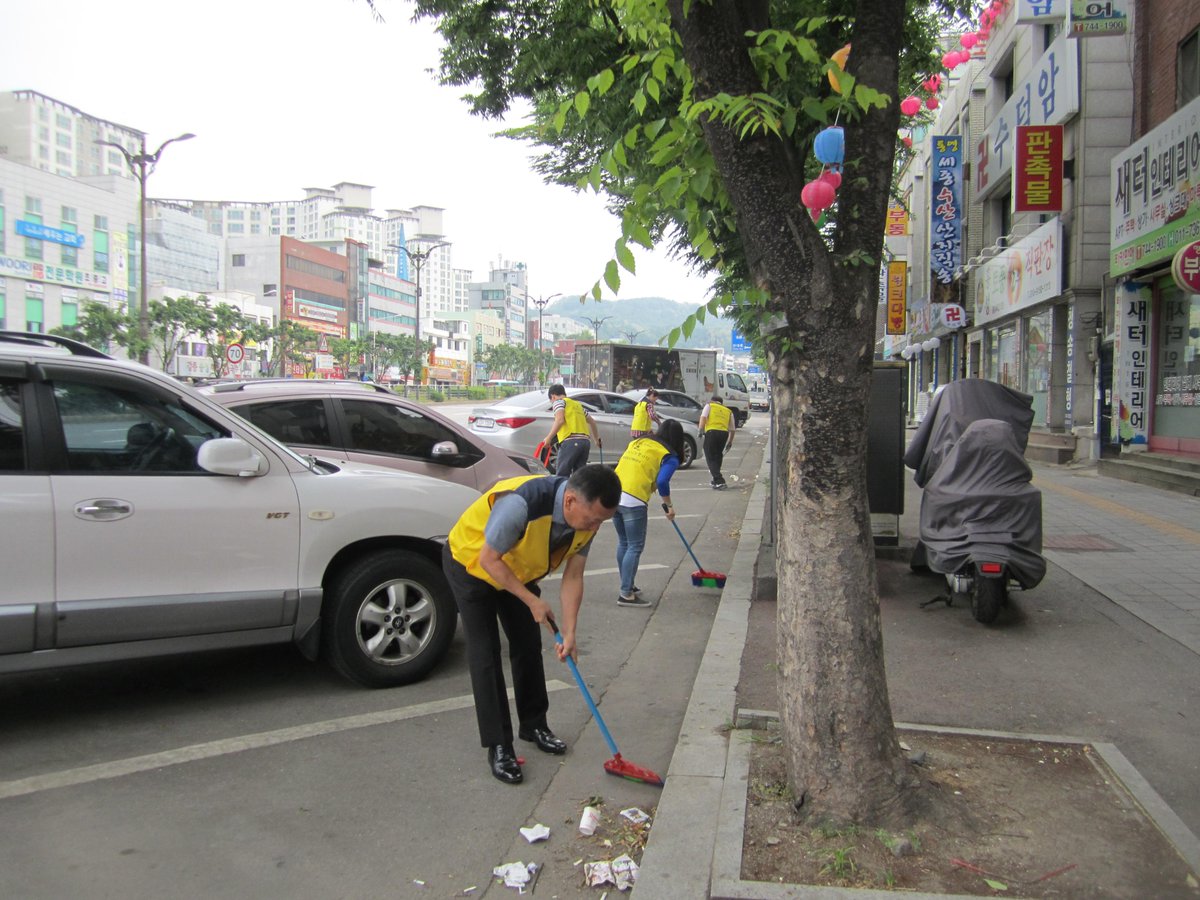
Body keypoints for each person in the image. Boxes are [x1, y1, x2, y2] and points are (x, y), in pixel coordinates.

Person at [442, 465, 621, 785]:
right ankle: (499, 745)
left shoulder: (589, 520)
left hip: (516, 571)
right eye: (593, 519)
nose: (596, 527)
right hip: (471, 565)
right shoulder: (520, 505)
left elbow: (574, 576)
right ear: (570, 502)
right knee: (486, 653)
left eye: (602, 521)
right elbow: (488, 560)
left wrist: (570, 632)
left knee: (527, 644)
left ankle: (534, 724)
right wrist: (532, 601)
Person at [612, 419, 685, 607]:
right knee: (634, 546)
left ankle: (627, 584)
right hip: (633, 499)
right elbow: (662, 482)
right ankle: (626, 593)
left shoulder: (639, 441)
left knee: (624, 543)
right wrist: (669, 506)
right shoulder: (669, 455)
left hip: (613, 493)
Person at [543, 384, 601, 477]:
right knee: (579, 476)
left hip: (571, 442)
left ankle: (562, 491)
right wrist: (596, 439)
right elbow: (592, 422)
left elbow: (560, 420)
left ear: (553, 396)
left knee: (562, 475)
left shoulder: (558, 402)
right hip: (585, 443)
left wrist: (549, 438)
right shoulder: (578, 405)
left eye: (551, 400)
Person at [699, 394, 735, 489]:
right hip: (724, 434)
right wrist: (730, 442)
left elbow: (703, 417)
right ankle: (715, 480)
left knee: (710, 456)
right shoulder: (728, 411)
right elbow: (732, 429)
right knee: (718, 456)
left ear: (712, 400)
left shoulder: (709, 405)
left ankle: (720, 481)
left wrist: (700, 430)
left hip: (712, 432)